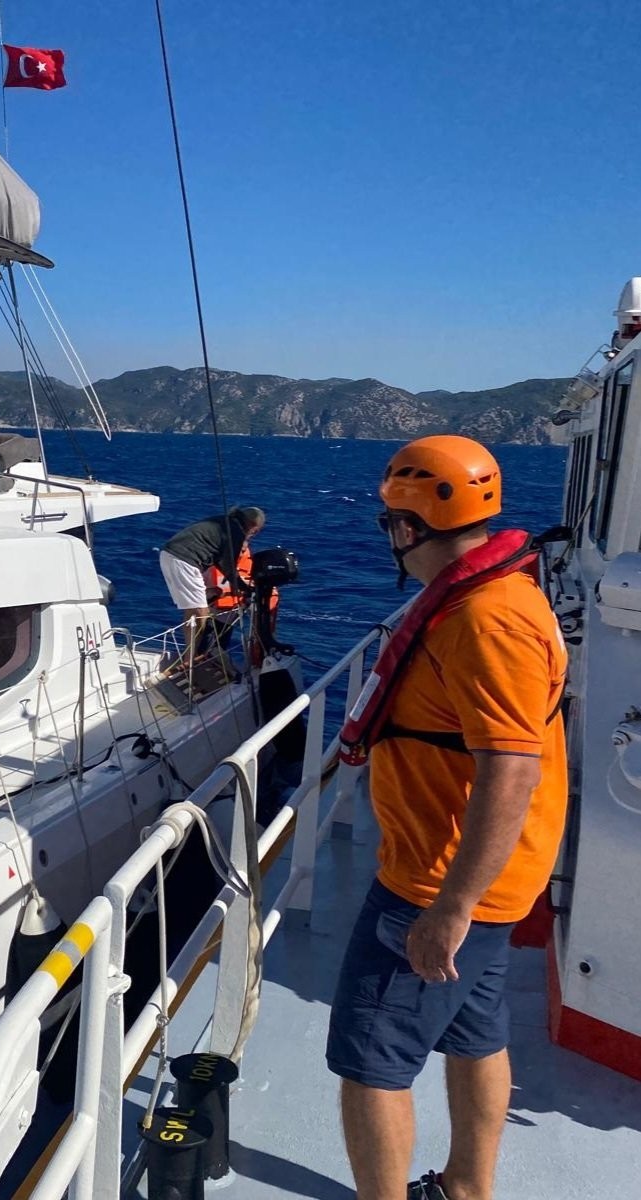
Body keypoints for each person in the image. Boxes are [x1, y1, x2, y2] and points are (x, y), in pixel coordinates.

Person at [329, 435, 568, 1200]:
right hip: (485, 880)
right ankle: (467, 1186)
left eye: (387, 523)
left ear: (407, 529)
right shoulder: (496, 597)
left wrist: (450, 909)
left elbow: (510, 765)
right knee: (475, 1032)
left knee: (369, 1062)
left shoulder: (484, 621)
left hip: (437, 883)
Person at [159, 506, 265, 650]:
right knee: (199, 612)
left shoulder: (222, 521)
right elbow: (228, 567)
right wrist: (244, 588)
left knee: (194, 607)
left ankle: (191, 652)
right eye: (255, 532)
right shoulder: (235, 533)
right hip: (185, 561)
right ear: (253, 527)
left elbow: (217, 557)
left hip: (168, 554)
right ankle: (190, 656)